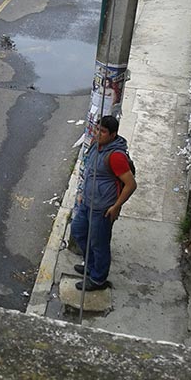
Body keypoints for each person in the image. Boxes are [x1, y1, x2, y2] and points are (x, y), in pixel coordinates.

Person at [71, 115, 136, 291]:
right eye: (97, 129)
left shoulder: (115, 157)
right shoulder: (95, 145)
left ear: (113, 134)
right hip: (87, 202)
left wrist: (116, 207)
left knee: (99, 244)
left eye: (103, 131)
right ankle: (90, 266)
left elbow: (131, 185)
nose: (98, 133)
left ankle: (98, 279)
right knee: (78, 231)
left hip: (103, 209)